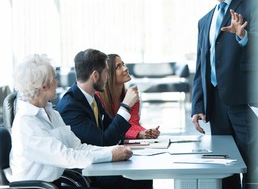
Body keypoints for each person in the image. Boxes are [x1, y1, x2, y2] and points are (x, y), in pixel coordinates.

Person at [191, 0, 258, 189]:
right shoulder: (204, 21)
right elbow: (201, 67)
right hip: (215, 105)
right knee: (223, 166)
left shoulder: (254, 5)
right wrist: (198, 105)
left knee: (252, 163)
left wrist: (242, 35)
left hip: (242, 99)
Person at [4, 54, 132, 189]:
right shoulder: (26, 123)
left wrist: (114, 150)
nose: (57, 83)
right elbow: (68, 157)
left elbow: (77, 146)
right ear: (44, 86)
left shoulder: (51, 113)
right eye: (54, 78)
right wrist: (111, 155)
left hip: (53, 185)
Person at [56, 49, 152, 189]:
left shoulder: (92, 97)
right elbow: (104, 141)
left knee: (142, 174)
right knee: (139, 180)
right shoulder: (71, 107)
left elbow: (111, 129)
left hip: (99, 162)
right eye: (107, 72)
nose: (108, 77)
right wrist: (125, 106)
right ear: (95, 75)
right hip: (85, 172)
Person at [95, 53, 160, 139]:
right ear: (108, 75)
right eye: (118, 67)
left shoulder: (132, 96)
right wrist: (138, 134)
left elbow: (132, 123)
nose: (125, 68)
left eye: (123, 64)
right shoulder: (97, 98)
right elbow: (108, 129)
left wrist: (145, 132)